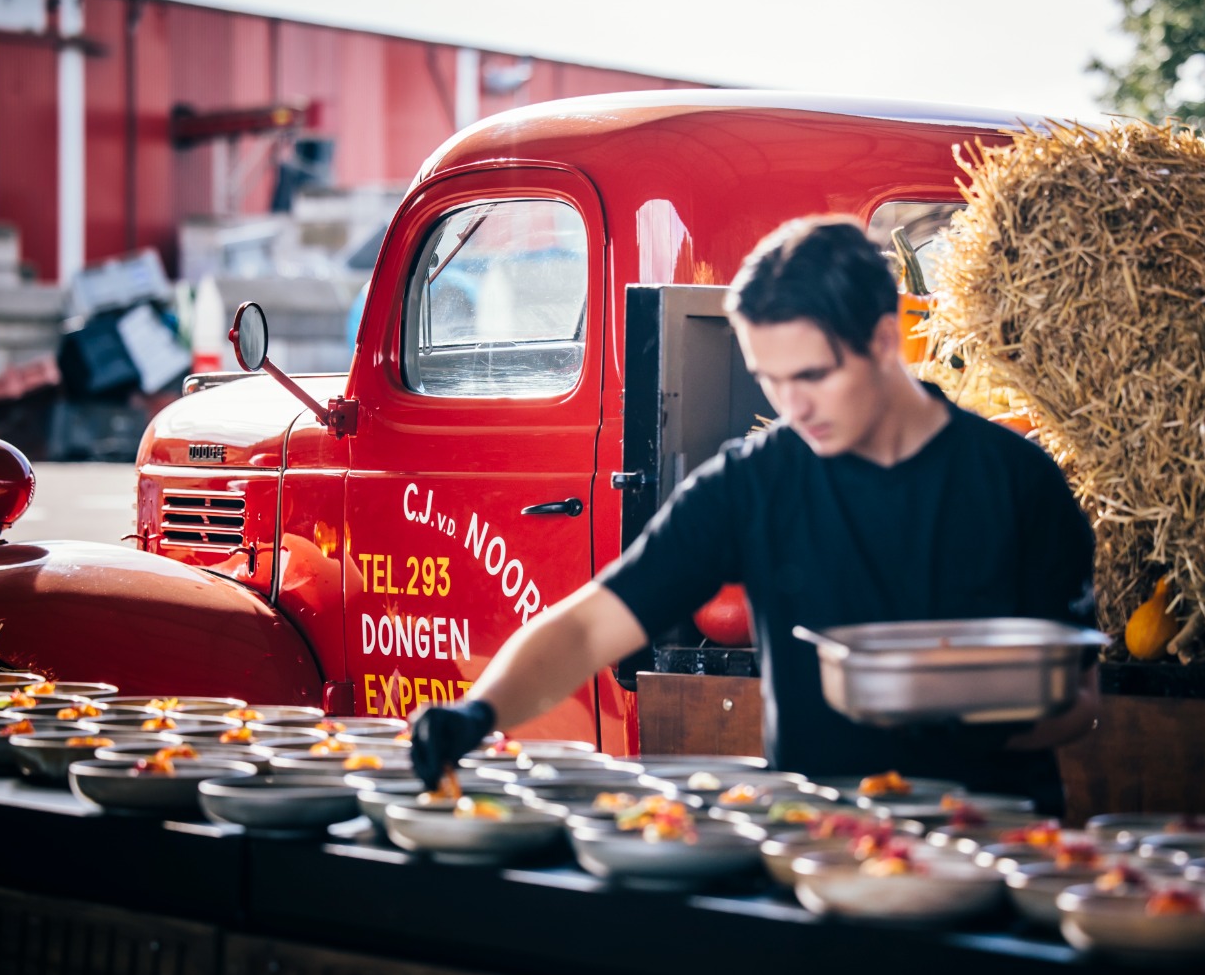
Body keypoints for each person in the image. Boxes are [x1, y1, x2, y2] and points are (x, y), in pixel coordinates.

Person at [411, 217, 1099, 813]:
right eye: (770, 378)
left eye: (813, 375)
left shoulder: (1017, 480)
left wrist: (947, 719)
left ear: (886, 339)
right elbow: (594, 623)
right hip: (818, 842)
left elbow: (1079, 702)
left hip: (992, 842)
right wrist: (481, 712)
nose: (791, 405)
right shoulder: (755, 481)